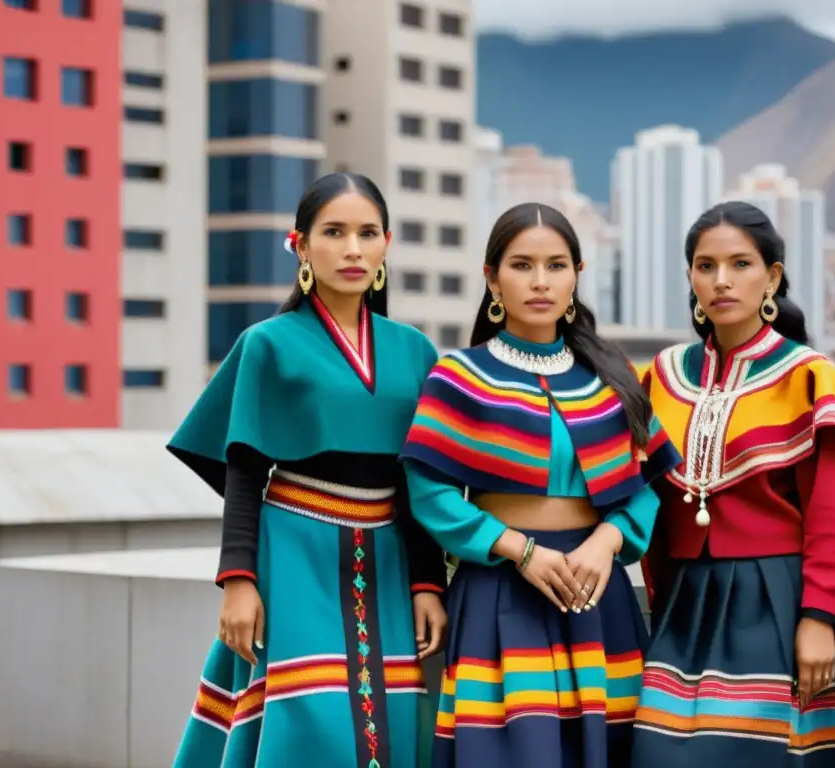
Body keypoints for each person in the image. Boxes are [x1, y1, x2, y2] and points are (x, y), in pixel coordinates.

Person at [168, 172, 449, 768]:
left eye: (367, 233)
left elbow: (420, 484)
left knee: (393, 719)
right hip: (295, 549)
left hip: (390, 557)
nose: (352, 248)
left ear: (386, 244)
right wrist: (238, 581)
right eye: (334, 232)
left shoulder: (415, 350)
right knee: (309, 722)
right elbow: (243, 469)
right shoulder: (267, 343)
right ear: (300, 244)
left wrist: (428, 584)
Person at [399, 202, 683, 767]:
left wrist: (606, 544)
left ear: (577, 273)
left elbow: (647, 485)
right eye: (522, 265)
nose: (540, 281)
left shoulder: (611, 378)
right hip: (499, 591)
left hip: (597, 598)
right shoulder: (458, 377)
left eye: (555, 266)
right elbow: (427, 490)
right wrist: (519, 551)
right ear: (491, 277)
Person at [630, 201, 835, 768]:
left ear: (772, 276)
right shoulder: (661, 376)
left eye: (740, 264)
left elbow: (832, 515)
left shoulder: (808, 379)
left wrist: (819, 619)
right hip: (682, 604)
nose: (722, 280)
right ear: (690, 278)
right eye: (705, 266)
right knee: (657, 754)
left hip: (775, 601)